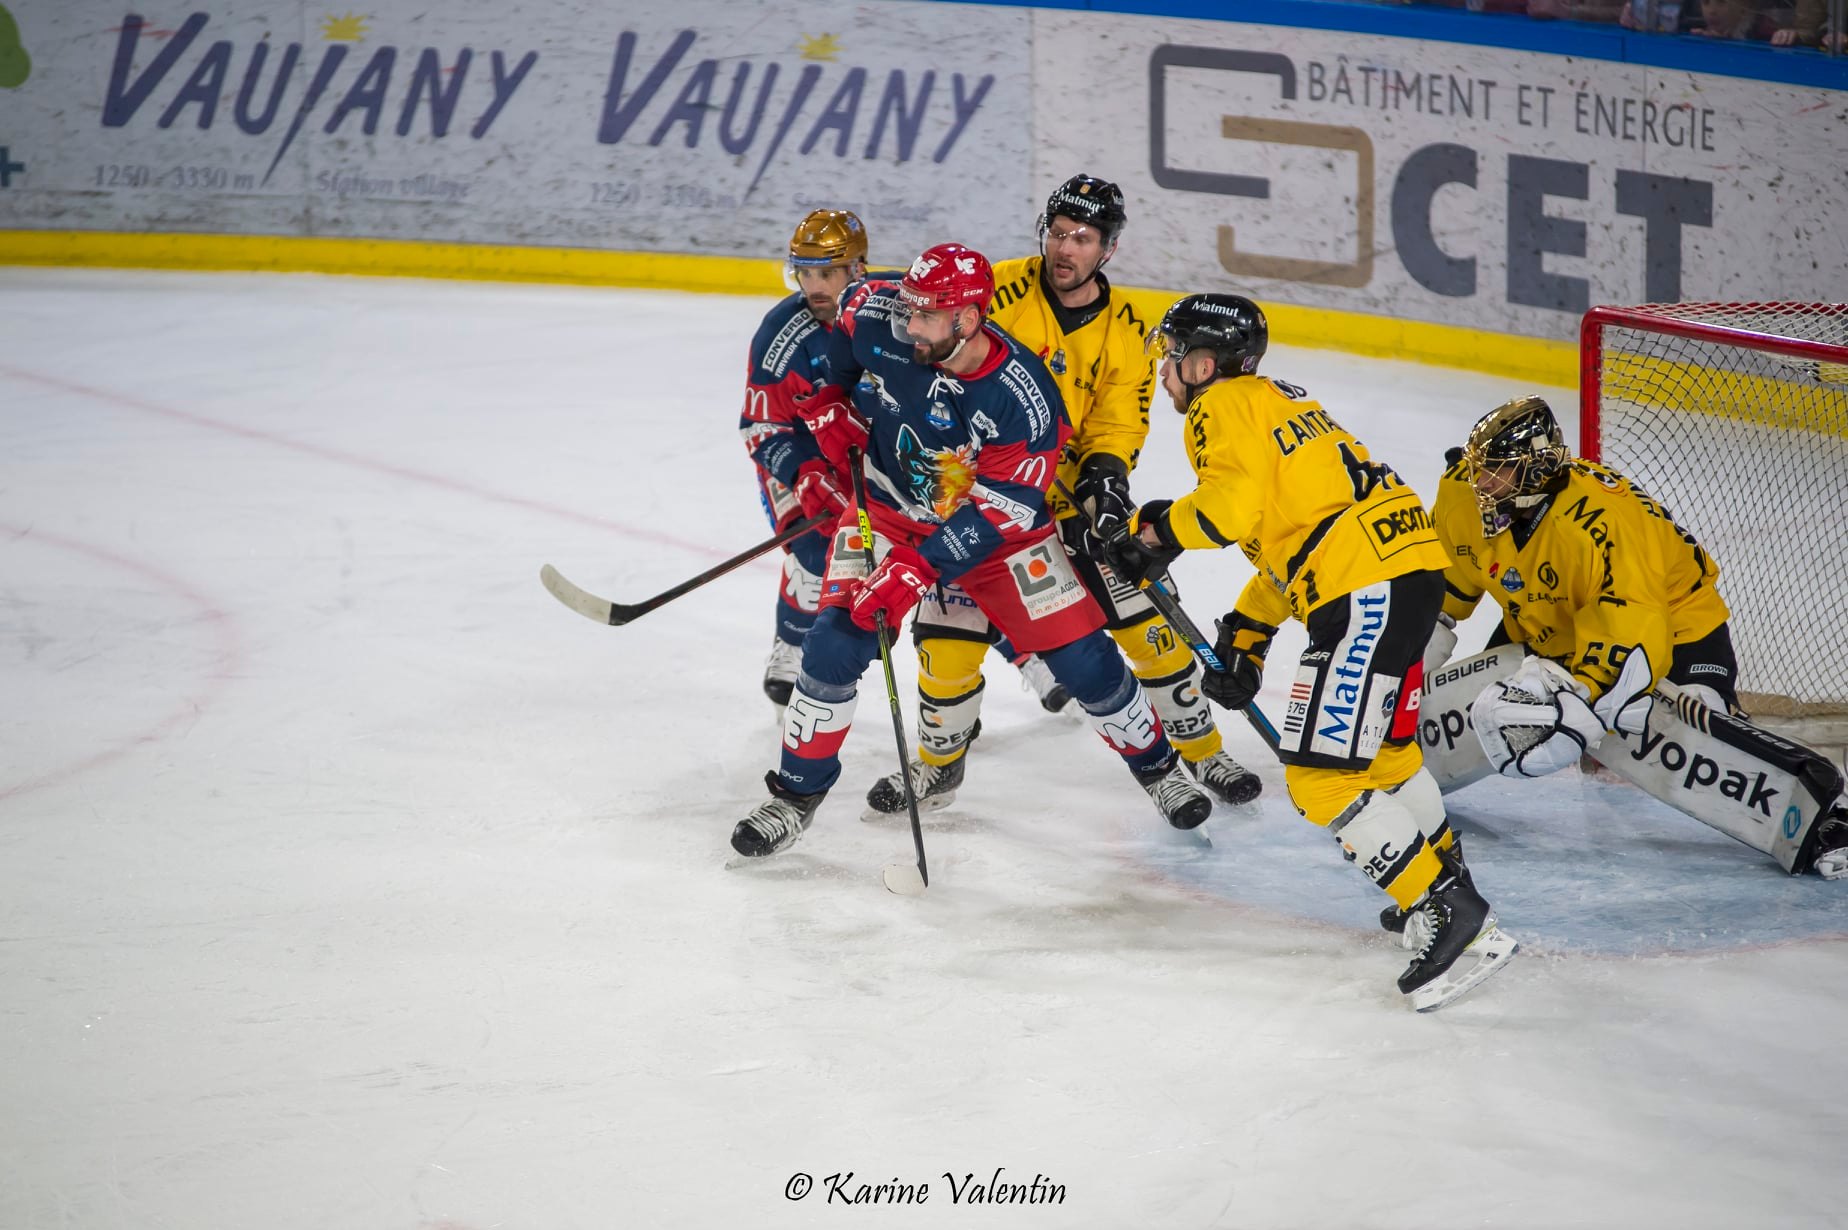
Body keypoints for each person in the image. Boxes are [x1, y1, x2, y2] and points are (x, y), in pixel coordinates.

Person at [728, 244, 1215, 859]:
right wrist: (835, 402)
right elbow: (844, 334)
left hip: (996, 535)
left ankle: (1159, 770)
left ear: (968, 318)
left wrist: (918, 567)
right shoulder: (877, 312)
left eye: (927, 316)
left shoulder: (1024, 398)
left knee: (1083, 659)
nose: (910, 325)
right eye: (908, 309)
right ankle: (794, 798)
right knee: (833, 641)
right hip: (886, 509)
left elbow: (1003, 509)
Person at [1113, 293, 1518, 1012]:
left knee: (1319, 779)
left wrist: (1156, 533)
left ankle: (1451, 913)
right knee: (1386, 760)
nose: (1164, 370)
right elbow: (1297, 533)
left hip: (1366, 591)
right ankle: (1443, 888)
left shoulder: (1218, 406)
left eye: (1172, 356)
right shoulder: (1279, 401)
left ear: (1203, 365)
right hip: (1408, 577)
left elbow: (1227, 512)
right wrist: (1249, 632)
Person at [863, 175, 1260, 820]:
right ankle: (938, 765)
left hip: (1071, 501)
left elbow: (1118, 427)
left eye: (1082, 238)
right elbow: (921, 334)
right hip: (979, 498)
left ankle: (1200, 751)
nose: (1065, 248)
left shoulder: (1127, 329)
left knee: (1149, 626)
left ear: (1108, 248)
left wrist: (1105, 489)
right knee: (945, 642)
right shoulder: (998, 289)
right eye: (1057, 233)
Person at [1418, 395, 1848, 878]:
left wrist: (1579, 701)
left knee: (1686, 725)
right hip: (1548, 622)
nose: (1479, 481)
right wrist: (1404, 667)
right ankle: (1394, 763)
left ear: (1535, 470)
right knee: (1496, 708)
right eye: (1479, 467)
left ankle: (1828, 818)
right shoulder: (1462, 495)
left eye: (1496, 471)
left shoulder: (1604, 523)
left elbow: (1632, 635)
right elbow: (1441, 595)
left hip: (1674, 625)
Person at [737, 208, 868, 708]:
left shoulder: (891, 312)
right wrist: (804, 473)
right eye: (805, 272)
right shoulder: (780, 333)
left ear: (857, 268)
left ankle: (1023, 651)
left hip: (865, 453)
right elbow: (762, 425)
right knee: (815, 549)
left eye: (827, 272)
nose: (814, 286)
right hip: (802, 454)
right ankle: (791, 645)